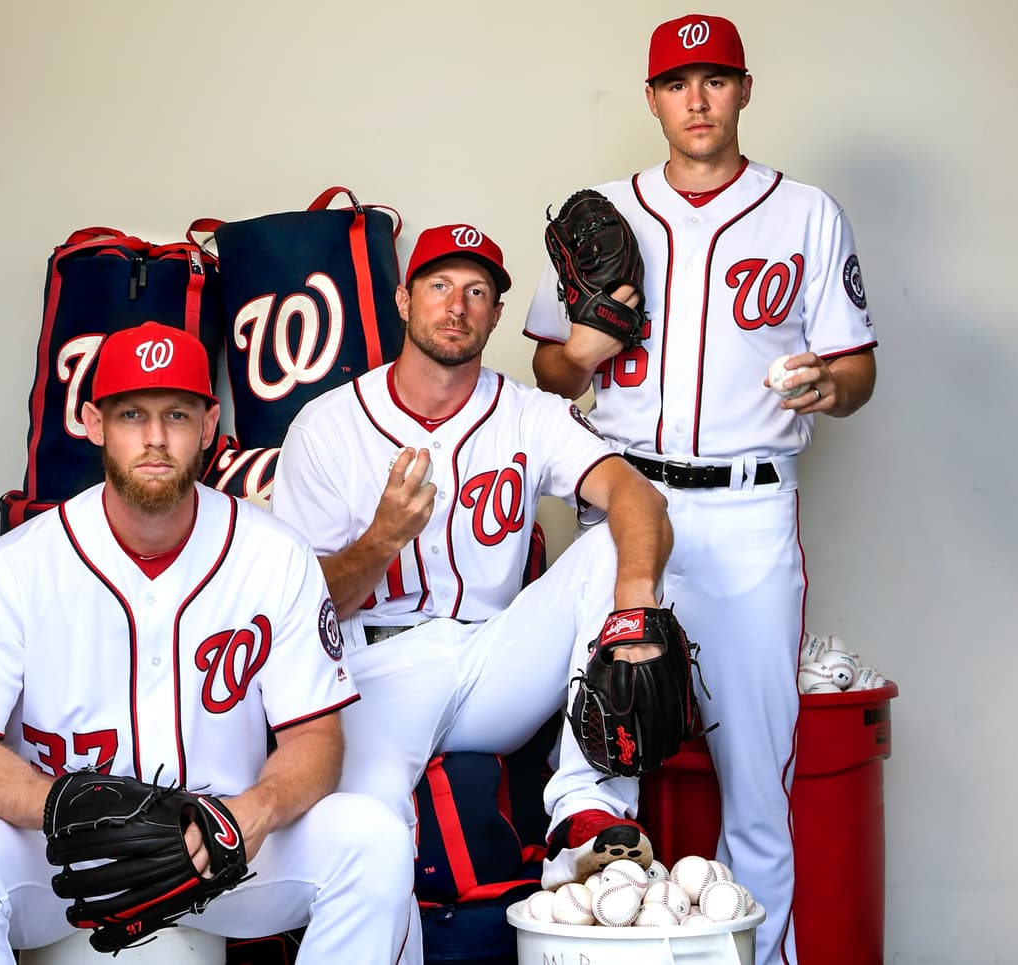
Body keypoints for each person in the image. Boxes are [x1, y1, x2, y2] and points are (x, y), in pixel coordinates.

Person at [524, 14, 878, 965]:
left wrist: (826, 385)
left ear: (745, 90)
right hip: (624, 513)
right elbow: (553, 373)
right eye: (678, 83)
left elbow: (857, 372)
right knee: (600, 759)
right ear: (651, 98)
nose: (696, 99)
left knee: (757, 781)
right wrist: (584, 349)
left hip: (750, 507)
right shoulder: (602, 209)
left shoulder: (805, 212)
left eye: (715, 79)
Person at [0, 321, 415, 964]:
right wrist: (59, 802)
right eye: (131, 413)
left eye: (176, 413)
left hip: (220, 849)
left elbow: (316, 739)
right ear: (92, 421)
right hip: (66, 851)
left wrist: (251, 813)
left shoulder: (276, 556)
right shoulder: (14, 566)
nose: (155, 437)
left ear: (208, 423)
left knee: (373, 838)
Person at [270, 223, 676, 936]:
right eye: (439, 286)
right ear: (404, 300)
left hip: (494, 659)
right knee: (370, 845)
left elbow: (637, 495)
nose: (456, 305)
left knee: (615, 542)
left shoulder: (528, 412)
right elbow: (310, 609)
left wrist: (634, 606)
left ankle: (587, 814)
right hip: (374, 671)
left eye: (477, 291)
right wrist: (384, 538)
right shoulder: (327, 425)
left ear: (495, 314)